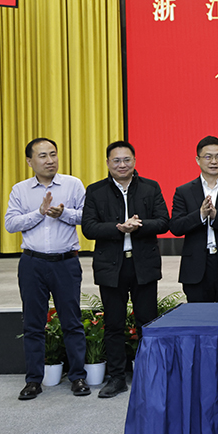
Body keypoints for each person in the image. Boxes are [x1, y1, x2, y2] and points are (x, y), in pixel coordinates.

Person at [82, 141, 169, 398]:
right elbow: (89, 227)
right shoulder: (96, 191)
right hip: (111, 266)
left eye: (127, 159)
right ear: (108, 163)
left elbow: (163, 221)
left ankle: (149, 375)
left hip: (143, 265)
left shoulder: (150, 187)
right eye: (116, 160)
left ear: (135, 161)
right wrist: (118, 228)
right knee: (113, 324)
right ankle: (117, 378)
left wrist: (138, 226)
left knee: (147, 322)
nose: (122, 165)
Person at [5, 138, 89, 400]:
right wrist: (39, 213)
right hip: (33, 263)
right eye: (42, 156)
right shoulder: (20, 190)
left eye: (53, 154)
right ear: (30, 161)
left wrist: (63, 214)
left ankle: (78, 377)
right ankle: (33, 380)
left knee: (72, 322)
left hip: (66, 262)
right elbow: (11, 224)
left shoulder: (73, 184)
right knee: (33, 324)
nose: (50, 160)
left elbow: (88, 217)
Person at [169, 136, 218, 303]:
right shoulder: (183, 191)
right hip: (196, 268)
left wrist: (216, 216)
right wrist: (200, 215)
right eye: (208, 157)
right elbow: (176, 227)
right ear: (198, 160)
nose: (214, 161)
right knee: (199, 316)